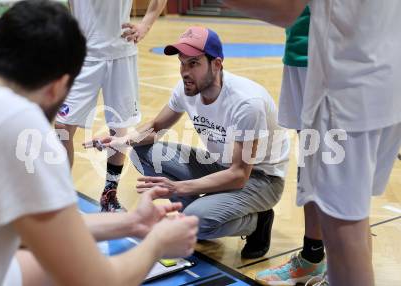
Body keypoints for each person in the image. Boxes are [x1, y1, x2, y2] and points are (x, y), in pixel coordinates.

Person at [0, 1, 198, 286]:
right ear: (59, 86)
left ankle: (107, 197)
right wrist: (157, 244)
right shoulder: (20, 127)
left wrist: (133, 222)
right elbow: (95, 280)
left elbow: (34, 233)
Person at [223, 1, 401, 285]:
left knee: (342, 224)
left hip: (342, 70)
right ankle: (314, 258)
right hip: (373, 59)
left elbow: (286, 8)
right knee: (348, 203)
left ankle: (327, 266)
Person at [85, 26, 290, 259]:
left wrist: (178, 188)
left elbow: (239, 175)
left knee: (194, 222)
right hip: (220, 164)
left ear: (217, 64)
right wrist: (121, 140)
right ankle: (204, 209)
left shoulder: (246, 103)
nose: (185, 71)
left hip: (261, 179)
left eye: (193, 63)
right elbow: (156, 127)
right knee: (140, 151)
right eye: (182, 63)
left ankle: (257, 220)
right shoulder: (186, 90)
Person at [55, 0, 167, 212]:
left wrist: (146, 24)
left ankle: (109, 193)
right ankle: (61, 193)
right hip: (83, 54)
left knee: (120, 127)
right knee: (62, 127)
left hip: (121, 54)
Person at [255, 6, 327, 286]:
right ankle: (313, 256)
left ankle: (343, 267)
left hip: (330, 61)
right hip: (298, 56)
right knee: (310, 164)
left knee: (337, 169)